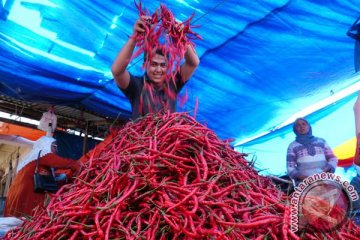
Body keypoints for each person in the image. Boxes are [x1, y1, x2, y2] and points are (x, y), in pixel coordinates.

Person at [111, 15, 200, 119]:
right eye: (154, 64)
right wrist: (134, 38)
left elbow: (193, 63)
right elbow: (117, 71)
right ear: (145, 64)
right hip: (143, 135)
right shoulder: (136, 86)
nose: (158, 70)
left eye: (163, 65)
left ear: (168, 66)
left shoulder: (172, 84)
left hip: (168, 135)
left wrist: (180, 36)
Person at [4, 136, 81, 218]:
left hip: (15, 194)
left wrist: (58, 177)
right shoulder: (43, 153)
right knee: (28, 220)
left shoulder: (29, 159)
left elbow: (41, 173)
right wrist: (78, 165)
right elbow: (64, 163)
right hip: (28, 193)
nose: (56, 150)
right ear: (46, 145)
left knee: (16, 221)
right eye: (54, 147)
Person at [286, 118, 338, 184]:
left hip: (325, 180)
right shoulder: (292, 146)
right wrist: (303, 178)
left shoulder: (321, 141)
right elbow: (290, 167)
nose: (301, 126)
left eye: (303, 124)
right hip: (305, 184)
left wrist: (327, 169)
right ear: (295, 129)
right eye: (298, 125)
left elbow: (333, 158)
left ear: (309, 126)